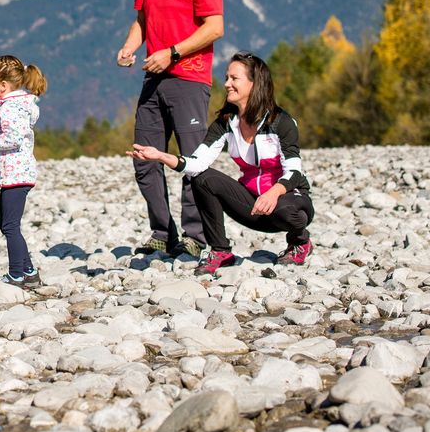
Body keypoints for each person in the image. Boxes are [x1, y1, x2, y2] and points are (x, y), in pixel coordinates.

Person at [127, 52, 314, 276]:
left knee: (289, 212)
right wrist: (160, 156)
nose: (226, 84)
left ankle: (299, 241)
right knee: (202, 178)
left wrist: (273, 193)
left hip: (286, 201)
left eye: (234, 78)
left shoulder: (281, 122)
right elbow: (197, 163)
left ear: (255, 83)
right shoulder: (226, 122)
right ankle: (220, 250)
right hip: (253, 206)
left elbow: (294, 172)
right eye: (226, 78)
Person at [116, 0, 226, 258]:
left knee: (193, 160)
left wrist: (173, 52)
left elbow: (215, 28)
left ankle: (196, 236)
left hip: (189, 79)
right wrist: (129, 47)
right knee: (143, 158)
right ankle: (162, 233)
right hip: (153, 78)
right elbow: (141, 21)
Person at [0, 55, 47, 288]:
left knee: (10, 226)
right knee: (8, 224)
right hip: (14, 174)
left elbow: (13, 138)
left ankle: (16, 275)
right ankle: (29, 272)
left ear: (3, 85)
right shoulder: (13, 104)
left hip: (16, 175)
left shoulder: (11, 108)